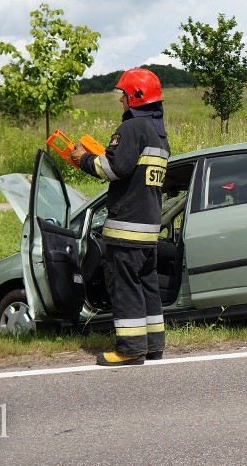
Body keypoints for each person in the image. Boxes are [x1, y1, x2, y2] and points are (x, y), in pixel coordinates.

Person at [70, 68, 170, 366]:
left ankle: (129, 348)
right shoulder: (158, 134)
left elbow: (114, 169)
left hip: (126, 228)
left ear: (135, 97)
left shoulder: (131, 129)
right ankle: (152, 345)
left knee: (125, 286)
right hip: (149, 229)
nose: (120, 102)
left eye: (123, 96)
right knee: (146, 286)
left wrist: (83, 159)